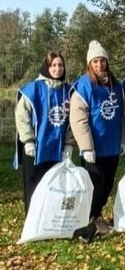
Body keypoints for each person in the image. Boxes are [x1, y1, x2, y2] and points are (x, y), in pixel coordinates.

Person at [69, 41, 125, 236]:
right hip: (93, 147)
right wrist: (85, 147)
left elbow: (120, 115)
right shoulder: (83, 85)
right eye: (95, 61)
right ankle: (92, 218)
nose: (99, 65)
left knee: (108, 184)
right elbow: (78, 119)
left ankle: (97, 215)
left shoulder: (114, 85)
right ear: (89, 64)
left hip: (111, 145)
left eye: (102, 61)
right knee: (96, 184)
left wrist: (121, 140)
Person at [15, 51, 74, 214]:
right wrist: (27, 140)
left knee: (54, 186)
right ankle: (32, 220)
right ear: (47, 67)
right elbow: (21, 115)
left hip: (57, 148)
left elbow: (73, 121)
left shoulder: (68, 91)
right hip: (35, 148)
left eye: (60, 65)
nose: (57, 69)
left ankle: (50, 220)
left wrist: (69, 144)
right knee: (34, 185)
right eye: (53, 65)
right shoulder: (33, 88)